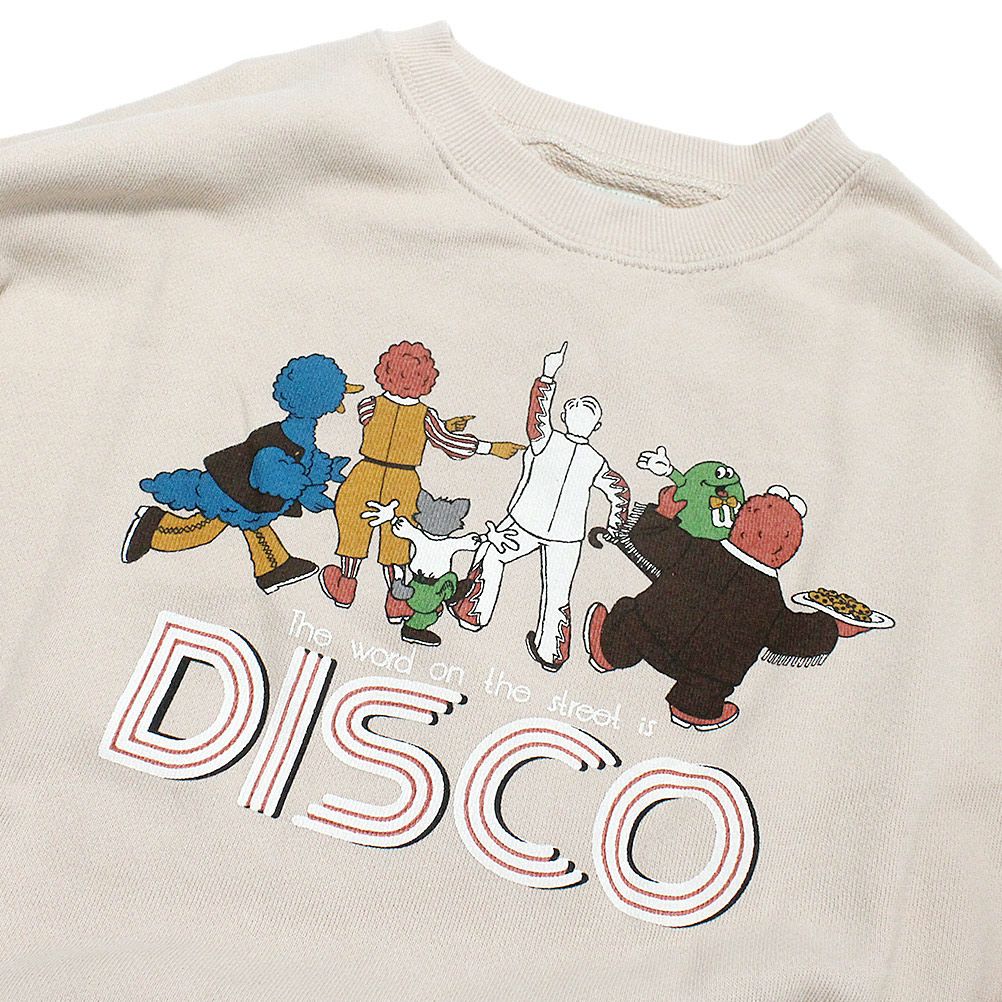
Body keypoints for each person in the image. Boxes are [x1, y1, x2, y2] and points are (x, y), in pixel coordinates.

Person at [584, 483, 874, 730]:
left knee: (628, 617)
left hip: (648, 634)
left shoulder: (697, 549)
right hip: (705, 674)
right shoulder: (770, 602)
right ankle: (694, 708)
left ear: (740, 523)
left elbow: (656, 541)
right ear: (785, 551)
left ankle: (610, 652)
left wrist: (663, 513)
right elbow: (795, 633)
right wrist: (832, 627)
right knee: (711, 684)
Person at [451, 343, 630, 670]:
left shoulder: (547, 440)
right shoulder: (591, 459)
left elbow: (538, 414)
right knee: (557, 592)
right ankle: (550, 652)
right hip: (561, 534)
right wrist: (614, 526)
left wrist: (548, 374)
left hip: (527, 523)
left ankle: (473, 613)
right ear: (595, 427)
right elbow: (619, 492)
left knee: (492, 555)